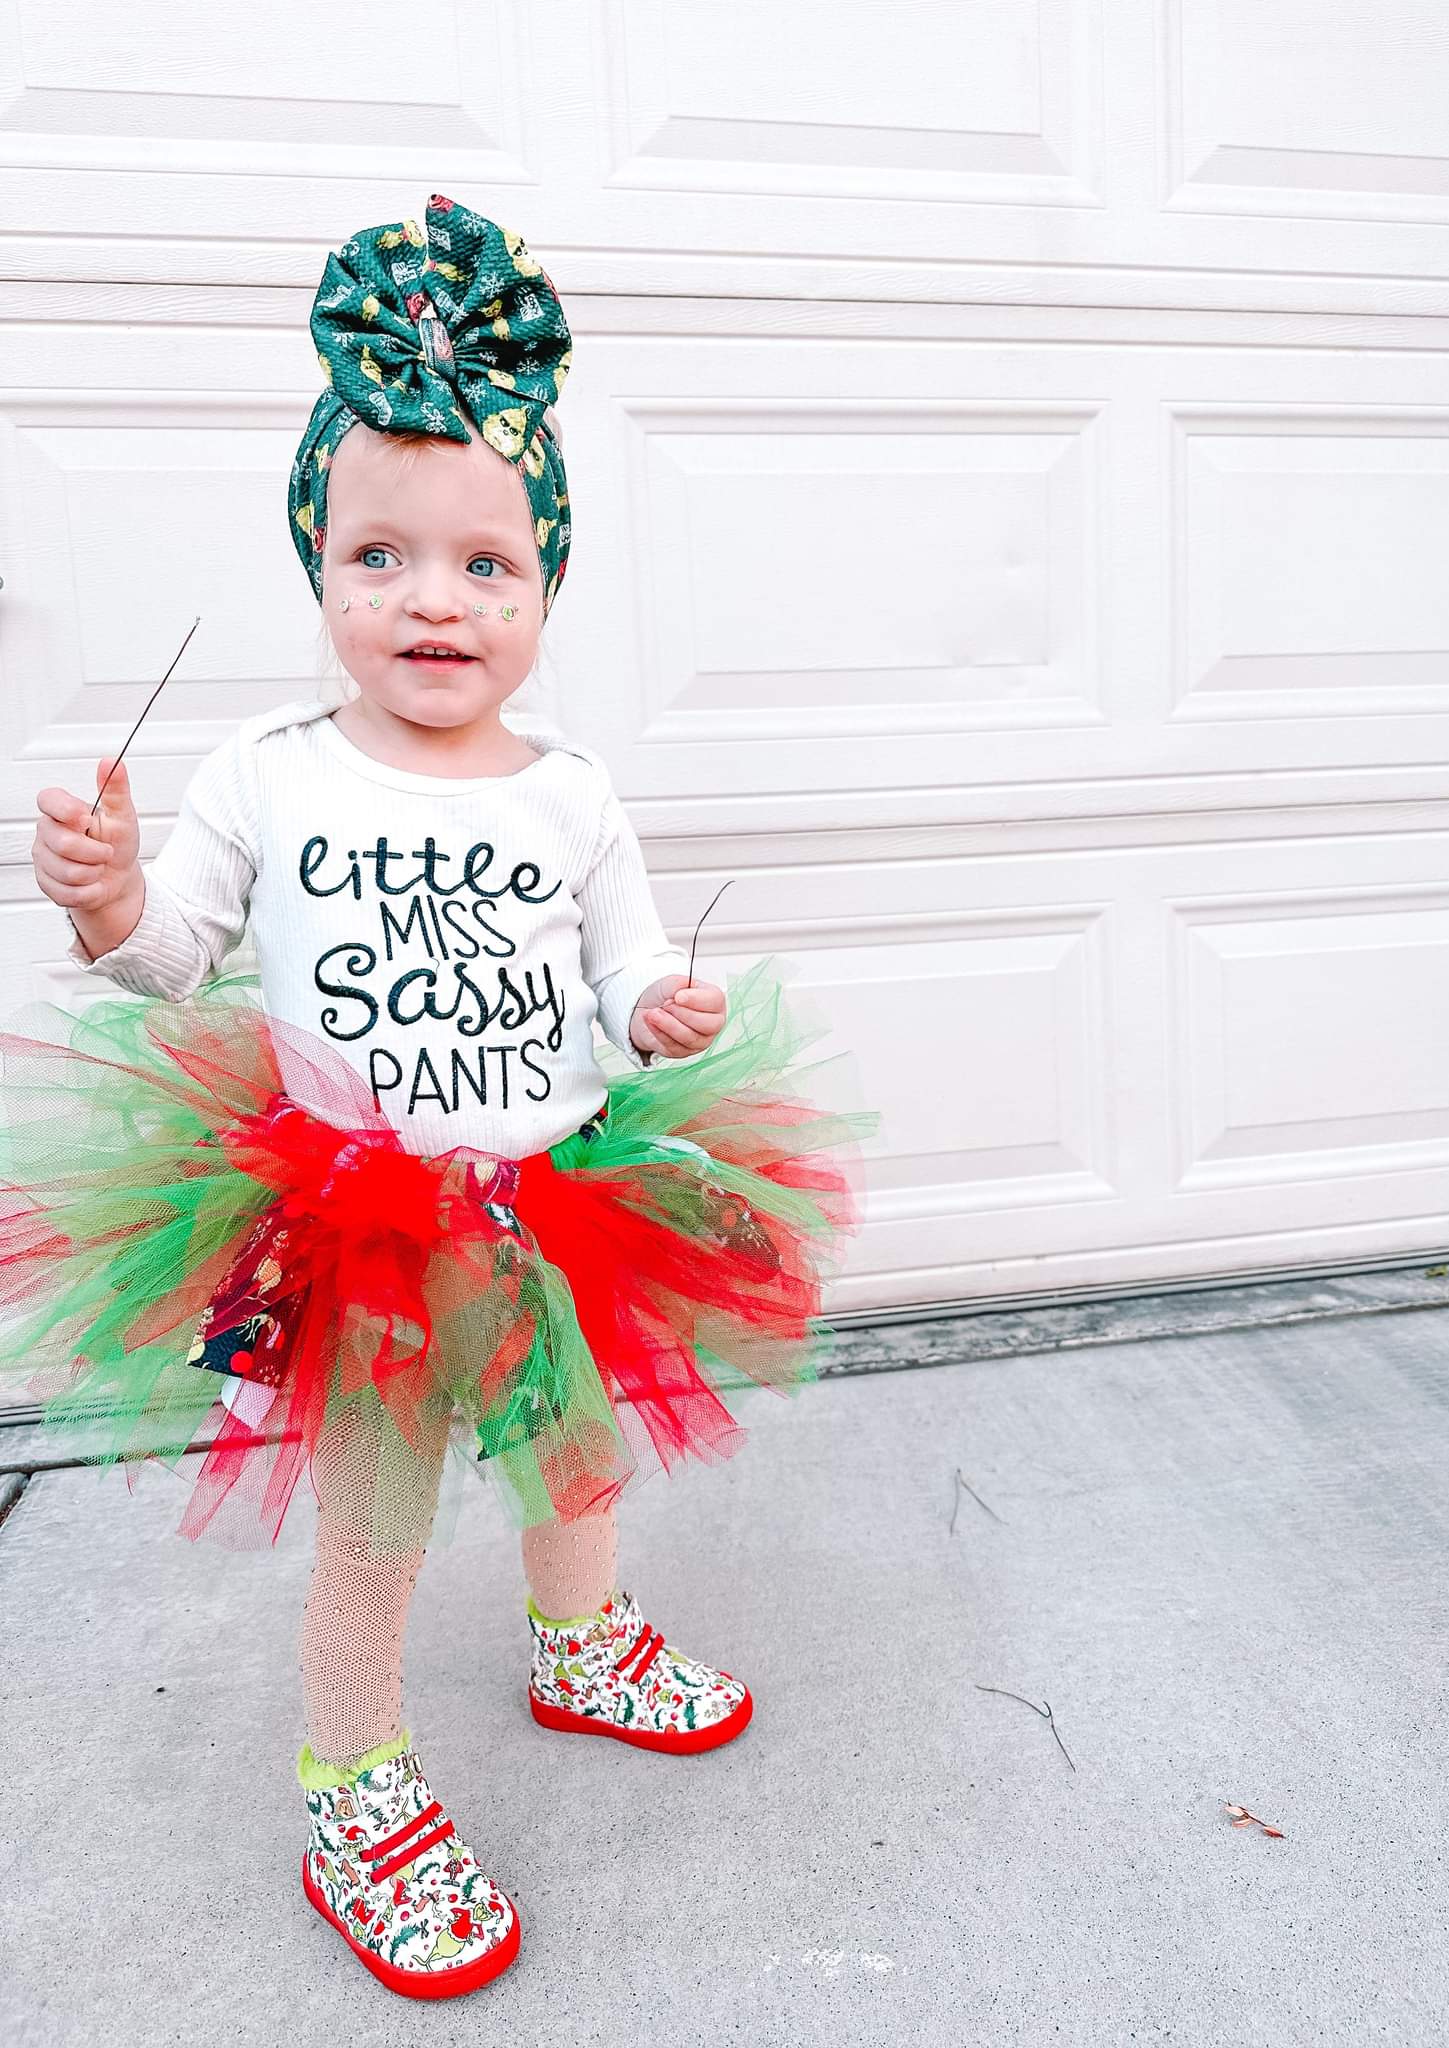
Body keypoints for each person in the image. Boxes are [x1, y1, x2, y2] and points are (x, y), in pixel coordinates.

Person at [1, 194, 872, 2001]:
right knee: (379, 1505)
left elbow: (618, 977)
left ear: (548, 583)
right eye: (380, 554)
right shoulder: (270, 770)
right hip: (364, 1216)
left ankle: (581, 1637)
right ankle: (356, 1782)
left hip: (549, 1194)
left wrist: (670, 1008)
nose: (434, 601)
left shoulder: (572, 793)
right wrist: (105, 899)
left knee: (570, 1434)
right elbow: (180, 960)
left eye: (489, 565)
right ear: (318, 565)